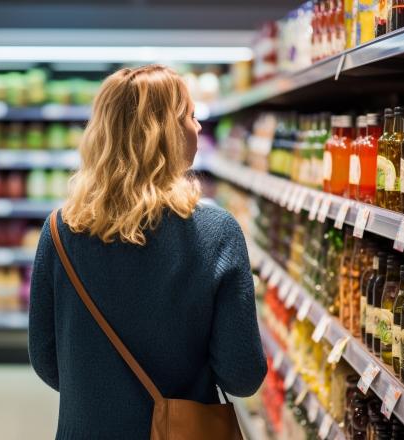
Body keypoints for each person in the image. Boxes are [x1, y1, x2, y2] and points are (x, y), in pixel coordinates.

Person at [29, 65, 266, 439]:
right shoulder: (217, 232)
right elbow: (242, 375)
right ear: (166, 134)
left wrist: (102, 396)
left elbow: (45, 359)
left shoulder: (59, 230)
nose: (199, 127)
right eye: (190, 116)